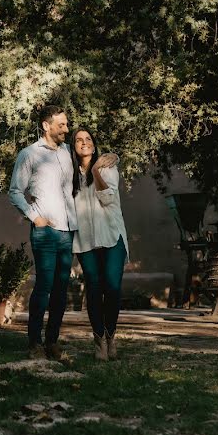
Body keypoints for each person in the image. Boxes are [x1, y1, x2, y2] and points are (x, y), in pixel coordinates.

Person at [9, 106, 116, 361]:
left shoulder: (68, 152)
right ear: (46, 126)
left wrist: (112, 156)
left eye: (67, 125)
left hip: (68, 231)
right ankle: (34, 343)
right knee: (44, 286)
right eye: (62, 125)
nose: (67, 130)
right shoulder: (29, 155)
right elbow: (15, 191)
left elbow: (90, 155)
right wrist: (35, 217)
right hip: (45, 232)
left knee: (60, 290)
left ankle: (52, 343)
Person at [70, 127, 129, 361]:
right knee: (94, 289)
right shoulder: (69, 173)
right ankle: (98, 340)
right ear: (73, 146)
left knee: (112, 289)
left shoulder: (107, 167)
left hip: (112, 235)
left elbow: (107, 198)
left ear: (94, 144)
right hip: (85, 240)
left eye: (88, 139)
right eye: (78, 140)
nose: (83, 142)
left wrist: (95, 170)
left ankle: (111, 336)